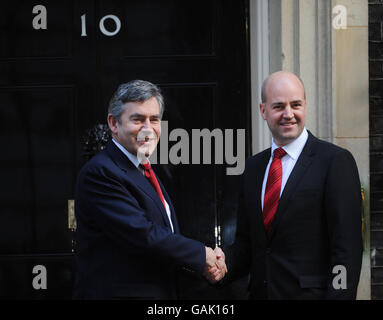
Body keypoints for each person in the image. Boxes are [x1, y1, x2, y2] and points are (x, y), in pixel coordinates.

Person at [207, 71, 363, 299]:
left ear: (305, 106)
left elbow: (346, 251)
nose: (289, 114)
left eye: (296, 105)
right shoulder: (253, 168)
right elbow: (246, 246)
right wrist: (218, 264)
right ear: (263, 110)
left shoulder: (334, 162)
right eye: (279, 106)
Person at [73, 80, 224, 299]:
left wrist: (202, 264)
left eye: (154, 119)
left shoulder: (147, 170)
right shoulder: (100, 173)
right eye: (137, 119)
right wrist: (202, 255)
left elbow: (165, 237)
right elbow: (143, 234)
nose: (148, 128)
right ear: (114, 124)